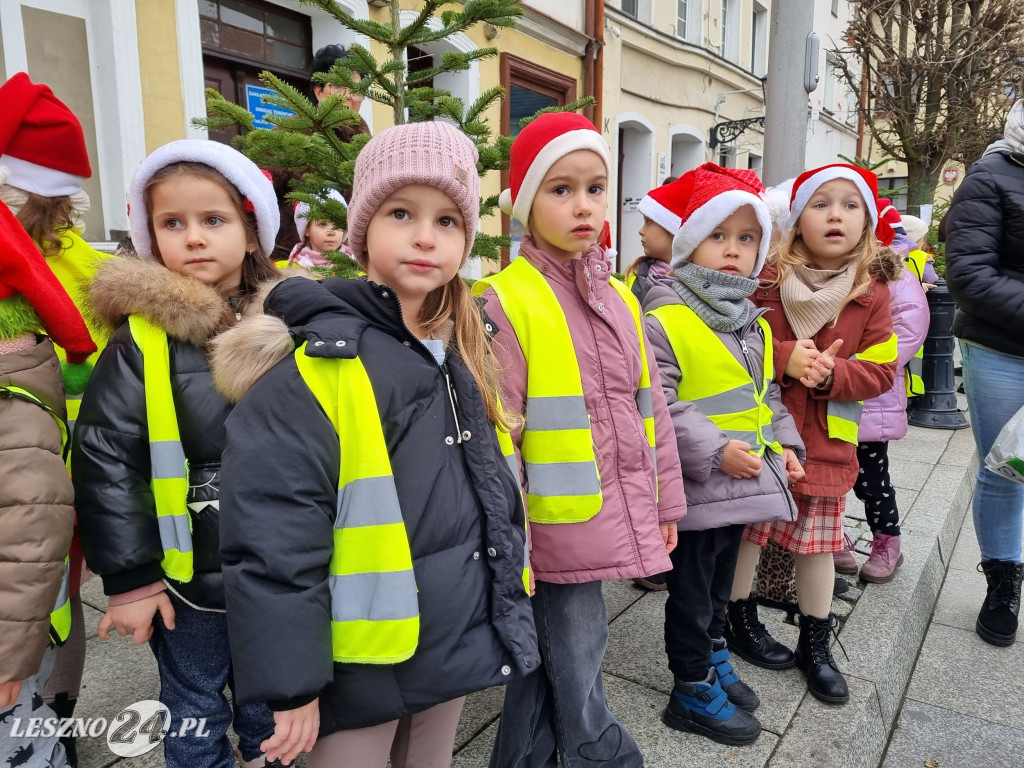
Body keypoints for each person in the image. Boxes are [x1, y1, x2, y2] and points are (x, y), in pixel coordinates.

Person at [210, 121, 538, 768]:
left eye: (448, 220)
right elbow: (274, 532)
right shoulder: (323, 361)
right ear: (362, 231)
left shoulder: (461, 349)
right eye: (401, 212)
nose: (425, 235)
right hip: (354, 661)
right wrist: (291, 683)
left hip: (446, 636)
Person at [478, 112, 687, 768]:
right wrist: (512, 540)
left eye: (595, 188)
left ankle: (526, 756)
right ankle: (595, 749)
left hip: (608, 510)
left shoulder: (623, 299)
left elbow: (650, 411)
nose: (582, 206)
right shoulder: (504, 300)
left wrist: (665, 504)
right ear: (524, 203)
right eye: (559, 189)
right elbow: (499, 435)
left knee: (558, 652)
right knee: (574, 644)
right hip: (549, 525)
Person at [71, 139, 284, 768]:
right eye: (173, 223)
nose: (193, 238)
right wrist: (131, 579)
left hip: (281, 572)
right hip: (186, 578)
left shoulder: (291, 327)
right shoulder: (143, 340)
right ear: (150, 234)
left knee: (274, 711)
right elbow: (106, 459)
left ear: (251, 233)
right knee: (193, 711)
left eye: (212, 220)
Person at [642, 163, 805, 745]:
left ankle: (713, 656)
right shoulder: (668, 318)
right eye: (718, 236)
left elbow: (765, 398)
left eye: (746, 238)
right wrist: (714, 453)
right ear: (690, 243)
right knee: (690, 591)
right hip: (699, 483)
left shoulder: (750, 325)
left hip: (744, 480)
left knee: (716, 586)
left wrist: (785, 445)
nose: (733, 251)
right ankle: (690, 687)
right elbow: (660, 403)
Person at [726, 164, 897, 704]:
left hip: (824, 441)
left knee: (817, 543)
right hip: (765, 434)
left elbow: (883, 368)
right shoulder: (767, 282)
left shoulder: (873, 293)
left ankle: (815, 644)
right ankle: (739, 619)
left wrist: (831, 374)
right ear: (797, 222)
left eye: (851, 206)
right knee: (747, 535)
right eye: (822, 204)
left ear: (866, 224)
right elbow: (735, 342)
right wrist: (782, 358)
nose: (836, 215)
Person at [0, 72, 112, 766]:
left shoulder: (82, 268)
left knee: (54, 607)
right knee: (50, 605)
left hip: (55, 481)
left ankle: (54, 720)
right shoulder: (79, 265)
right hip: (53, 478)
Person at [945, 99, 1024, 647]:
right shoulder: (991, 175)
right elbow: (969, 275)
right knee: (1006, 470)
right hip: (1002, 350)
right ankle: (1002, 584)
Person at [831, 204, 929, 583]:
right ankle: (833, 536)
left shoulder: (895, 274)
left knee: (873, 477)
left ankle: (887, 541)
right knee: (830, 469)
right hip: (828, 390)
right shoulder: (832, 265)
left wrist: (861, 366)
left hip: (872, 393)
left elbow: (909, 326)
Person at [623, 175, 681, 309]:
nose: (641, 231)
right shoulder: (635, 276)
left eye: (648, 222)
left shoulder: (695, 284)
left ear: (672, 229)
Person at [281, 189, 350, 269]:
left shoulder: (358, 269)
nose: (332, 232)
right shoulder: (290, 268)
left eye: (338, 224)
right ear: (306, 229)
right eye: (323, 224)